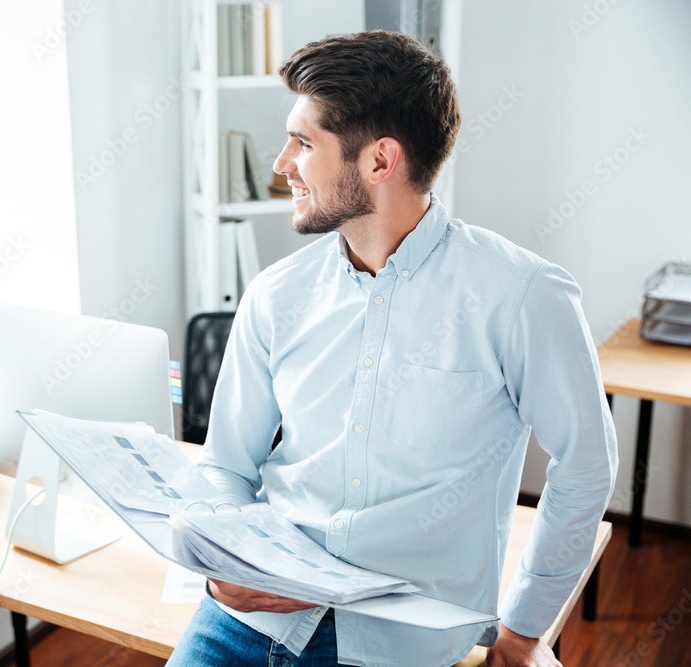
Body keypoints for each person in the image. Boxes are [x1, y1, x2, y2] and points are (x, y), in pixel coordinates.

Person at [167, 31, 617, 667]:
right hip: (249, 625)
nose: (281, 163)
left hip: (399, 644)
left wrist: (522, 630)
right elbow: (226, 466)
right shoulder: (276, 293)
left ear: (380, 161)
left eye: (304, 142)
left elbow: (586, 465)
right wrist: (224, 562)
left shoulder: (522, 296)